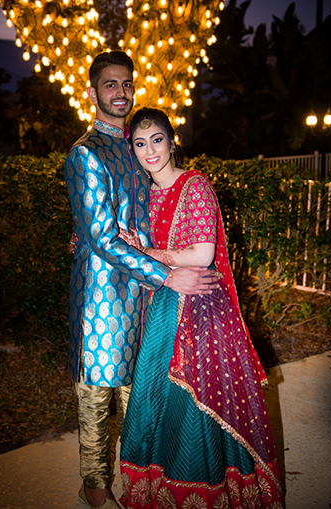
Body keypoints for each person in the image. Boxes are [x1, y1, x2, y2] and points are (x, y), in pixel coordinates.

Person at [64, 52, 220, 509]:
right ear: (92, 93)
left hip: (146, 292)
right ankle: (94, 485)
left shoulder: (135, 146)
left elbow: (152, 213)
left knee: (143, 391)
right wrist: (169, 275)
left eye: (127, 84)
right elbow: (100, 239)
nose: (121, 92)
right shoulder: (85, 152)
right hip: (102, 296)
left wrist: (163, 270)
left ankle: (141, 479)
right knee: (96, 394)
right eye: (110, 85)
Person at [118, 108, 284, 508]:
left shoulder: (194, 185)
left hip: (199, 309)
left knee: (199, 406)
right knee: (157, 404)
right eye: (140, 143)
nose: (150, 150)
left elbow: (202, 253)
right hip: (161, 309)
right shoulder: (140, 195)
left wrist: (146, 252)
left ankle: (209, 493)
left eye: (157, 139)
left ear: (173, 142)